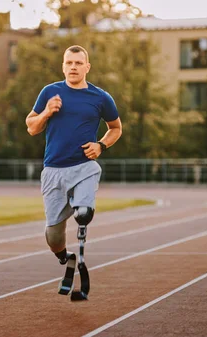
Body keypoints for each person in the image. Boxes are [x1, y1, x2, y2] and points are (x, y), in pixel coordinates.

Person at [25, 45, 122, 267]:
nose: (73, 67)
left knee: (83, 212)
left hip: (84, 167)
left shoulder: (100, 97)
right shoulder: (50, 92)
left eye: (78, 63)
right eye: (69, 63)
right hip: (53, 170)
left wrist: (101, 146)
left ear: (87, 67)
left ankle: (82, 209)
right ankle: (64, 257)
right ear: (63, 66)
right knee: (53, 236)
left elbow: (116, 128)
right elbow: (31, 128)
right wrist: (47, 112)